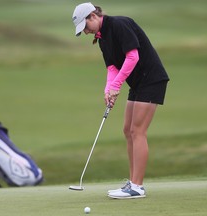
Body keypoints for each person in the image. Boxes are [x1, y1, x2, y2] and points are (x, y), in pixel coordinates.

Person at [72, 2, 169, 199]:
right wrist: (109, 89)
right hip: (137, 83)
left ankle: (137, 187)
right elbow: (112, 68)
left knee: (138, 131)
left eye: (86, 26)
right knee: (127, 130)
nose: (87, 32)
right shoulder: (102, 39)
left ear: (93, 16)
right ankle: (132, 182)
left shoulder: (119, 24)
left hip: (151, 79)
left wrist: (117, 86)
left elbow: (132, 57)